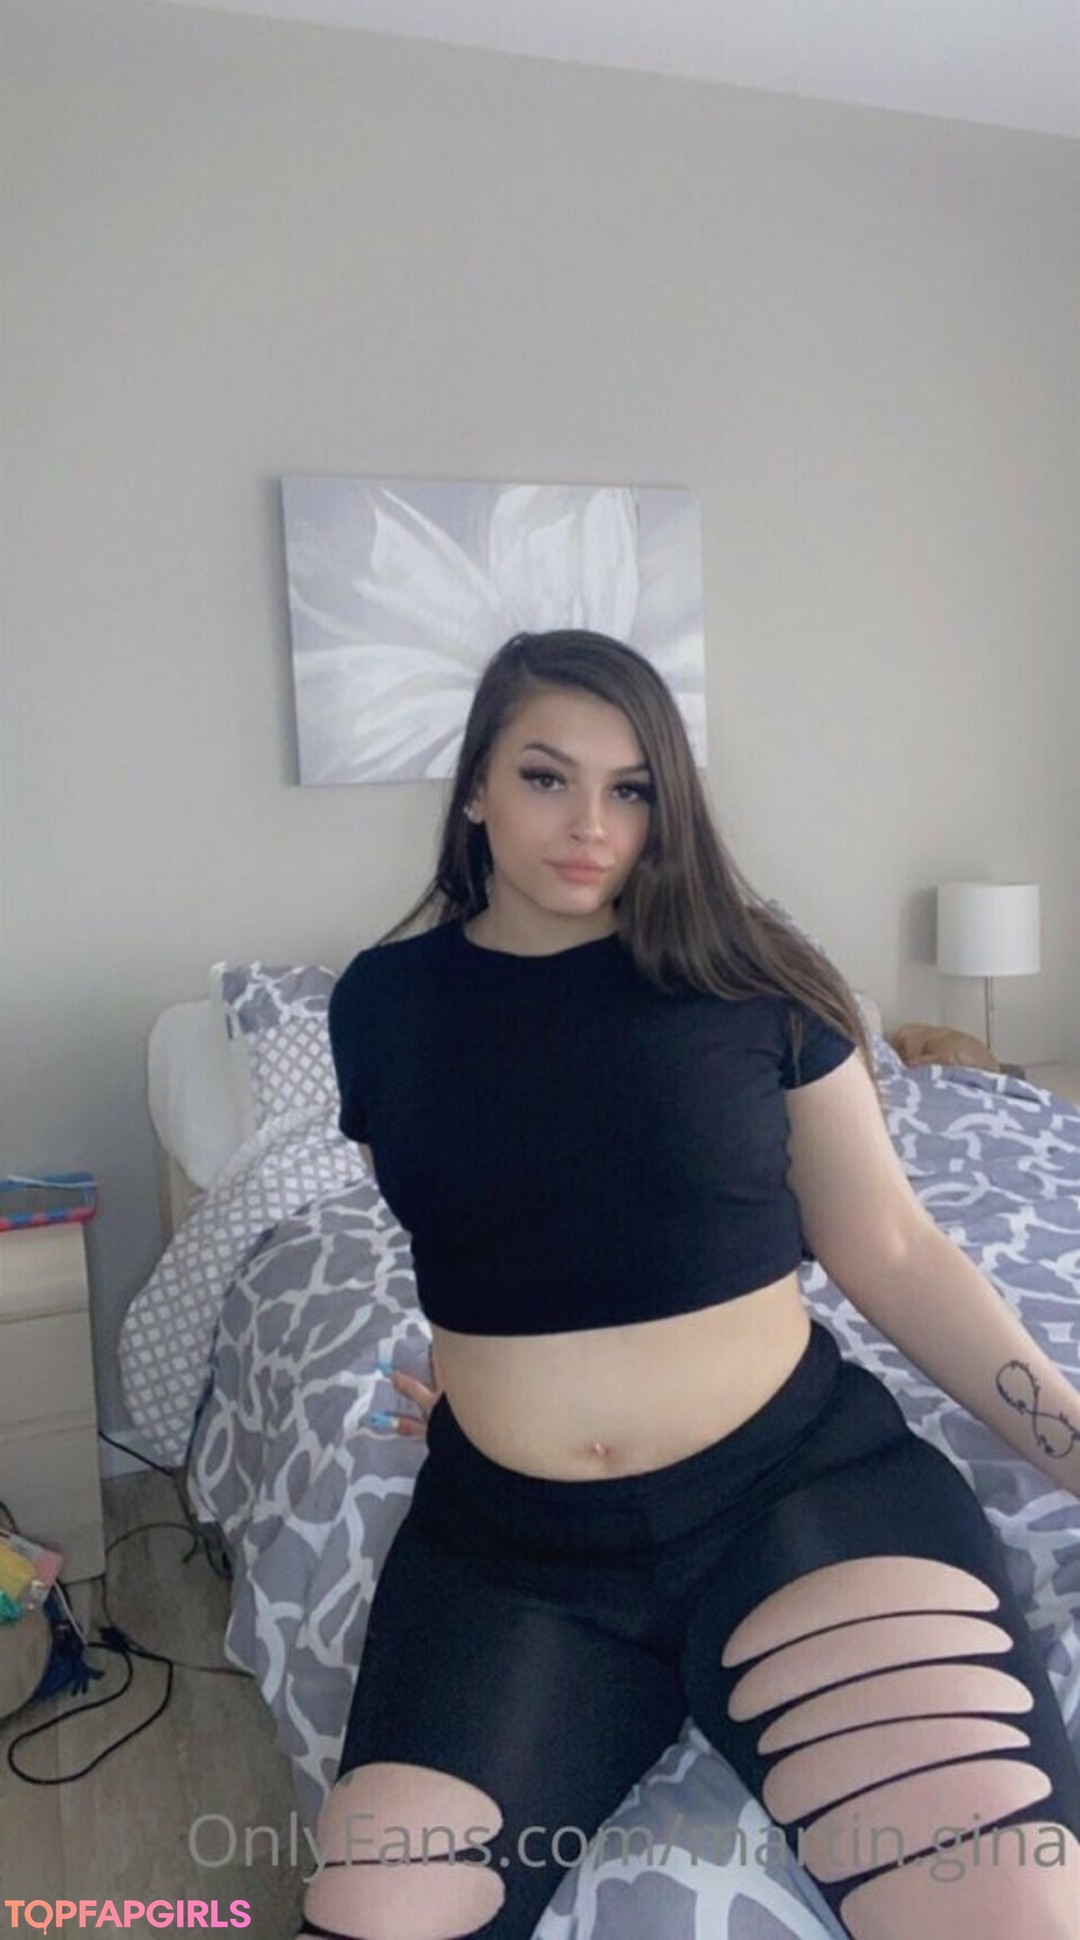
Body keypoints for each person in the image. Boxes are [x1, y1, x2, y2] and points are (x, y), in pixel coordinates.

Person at [300, 630, 1080, 1940]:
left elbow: (893, 1251)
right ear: (476, 786)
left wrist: (1073, 1445)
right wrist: (493, 1386)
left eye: (634, 788)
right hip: (508, 1550)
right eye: (546, 777)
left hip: (794, 1500)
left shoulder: (753, 975)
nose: (591, 825)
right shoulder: (380, 1006)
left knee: (1006, 1913)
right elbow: (478, 1226)